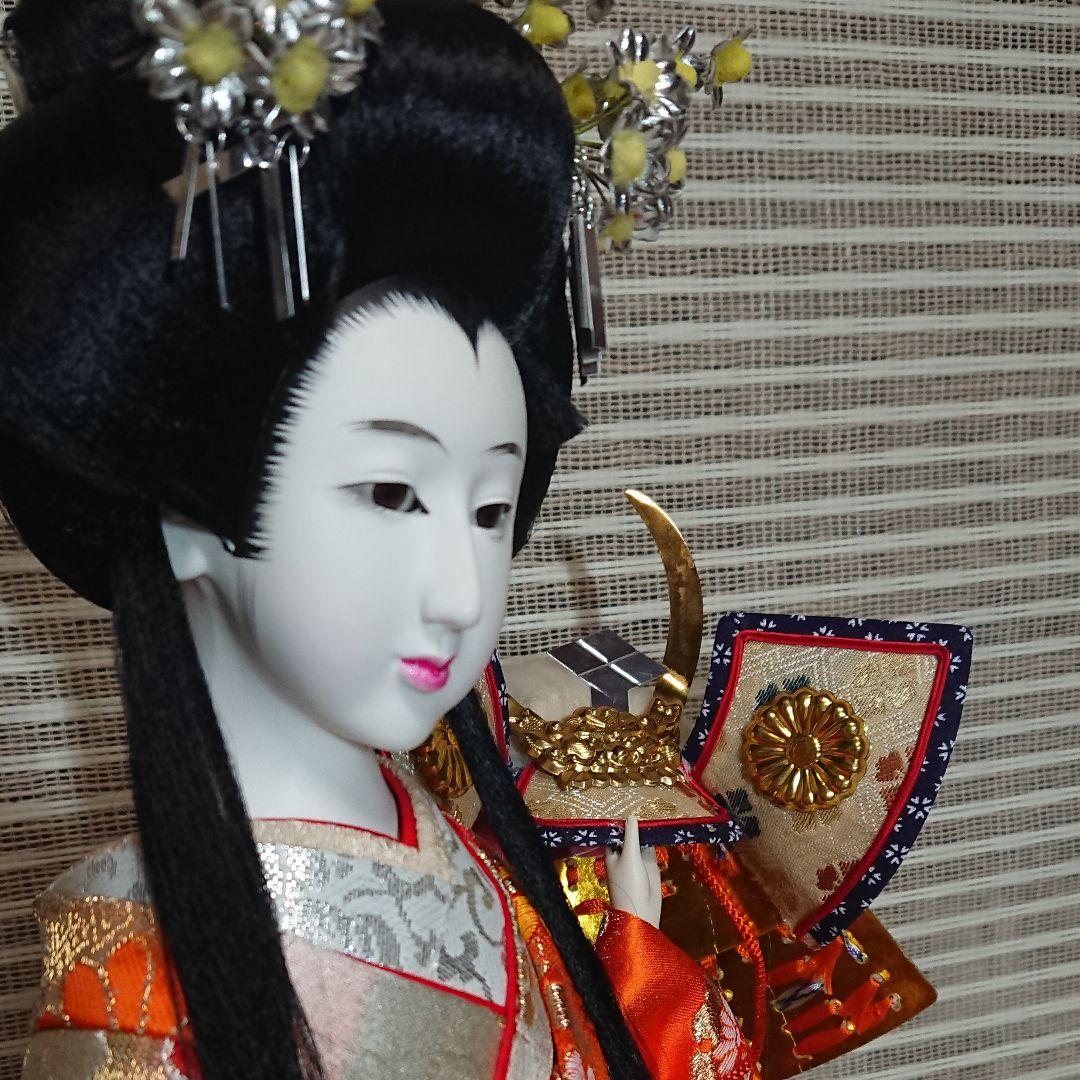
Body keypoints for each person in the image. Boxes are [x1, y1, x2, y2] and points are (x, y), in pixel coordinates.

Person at [0, 1, 753, 1077]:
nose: (463, 596)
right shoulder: (136, 1000)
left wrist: (634, 986)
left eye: (490, 512)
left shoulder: (431, 829)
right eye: (395, 493)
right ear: (187, 519)